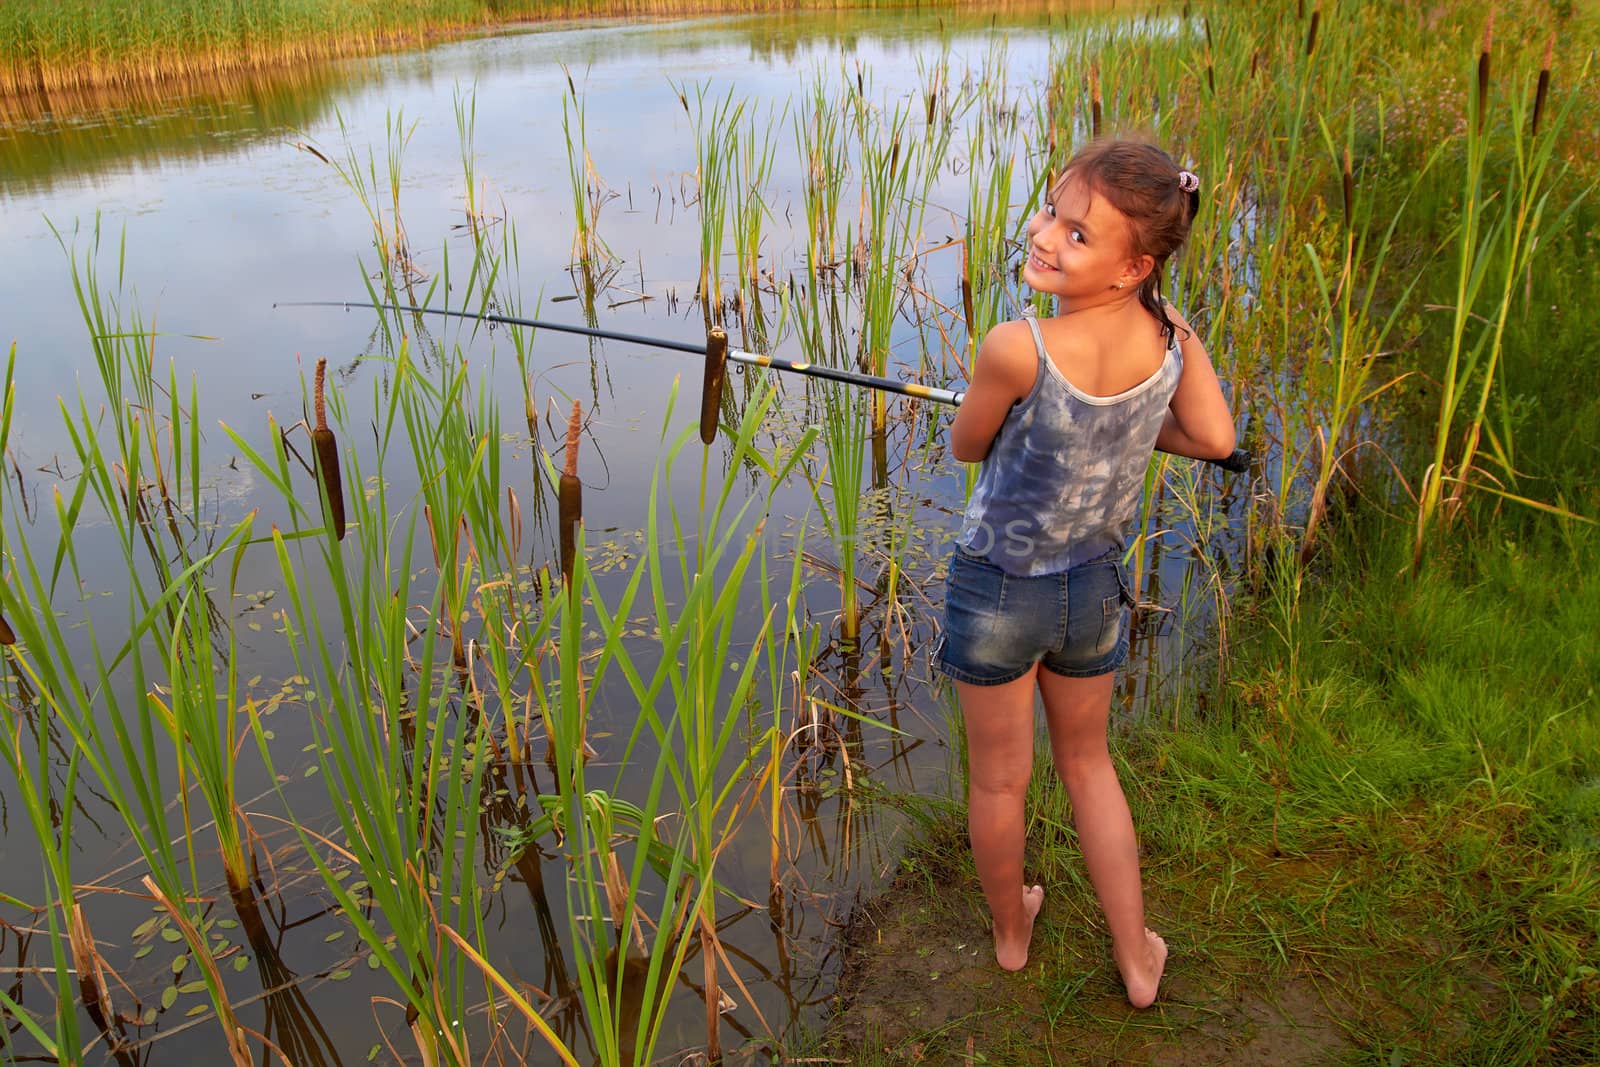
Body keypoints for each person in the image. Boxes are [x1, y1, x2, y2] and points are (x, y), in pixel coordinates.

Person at [934, 139, 1236, 1007]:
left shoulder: (1014, 347)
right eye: (1050, 214)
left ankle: (1011, 931)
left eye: (1076, 235)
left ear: (1131, 262)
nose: (1045, 237)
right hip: (1092, 589)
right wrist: (1135, 430)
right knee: (1089, 764)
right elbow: (1214, 438)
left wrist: (988, 398)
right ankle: (1137, 954)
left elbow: (966, 446)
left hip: (996, 588)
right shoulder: (1169, 335)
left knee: (999, 778)